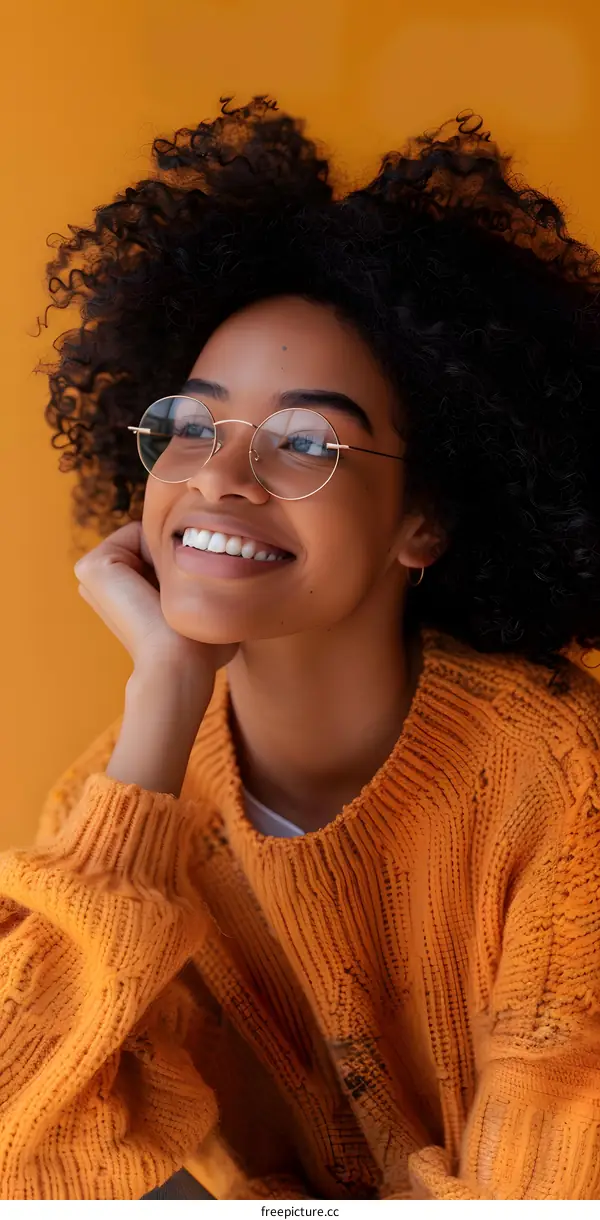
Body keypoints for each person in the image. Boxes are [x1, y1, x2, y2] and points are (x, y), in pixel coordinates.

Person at [2, 95, 600, 1201]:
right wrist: (164, 701)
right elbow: (24, 1160)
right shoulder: (121, 790)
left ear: (425, 519)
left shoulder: (565, 784)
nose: (220, 476)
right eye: (190, 423)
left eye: (307, 441)